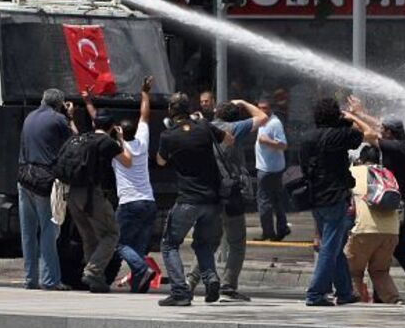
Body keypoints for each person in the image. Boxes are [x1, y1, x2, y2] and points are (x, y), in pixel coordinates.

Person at [348, 96, 405, 306]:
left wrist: (352, 116)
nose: (380, 130)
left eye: (384, 130)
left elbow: (369, 134)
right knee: (391, 246)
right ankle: (384, 293)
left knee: (401, 249)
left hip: (401, 203)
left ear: (389, 133)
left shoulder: (396, 148)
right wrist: (360, 113)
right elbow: (378, 127)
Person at [186, 99, 269, 302]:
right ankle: (228, 286)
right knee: (236, 242)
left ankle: (190, 281)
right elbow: (262, 117)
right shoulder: (234, 128)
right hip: (230, 194)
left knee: (209, 242)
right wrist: (243, 102)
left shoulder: (204, 129)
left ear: (216, 113)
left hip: (208, 193)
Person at [156, 92, 234, 306]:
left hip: (188, 199)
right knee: (202, 243)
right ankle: (211, 279)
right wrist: (202, 123)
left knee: (169, 244)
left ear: (171, 111)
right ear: (189, 108)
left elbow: (161, 161)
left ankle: (180, 292)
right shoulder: (204, 127)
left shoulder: (168, 135)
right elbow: (229, 139)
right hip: (212, 199)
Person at [82, 78, 157, 293]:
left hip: (129, 203)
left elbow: (99, 126)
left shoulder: (116, 148)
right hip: (149, 202)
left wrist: (88, 102)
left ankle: (142, 269)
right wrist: (145, 93)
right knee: (138, 246)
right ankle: (139, 283)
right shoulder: (142, 141)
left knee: (118, 242)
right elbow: (144, 115)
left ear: (119, 133)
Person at [301, 97, 377, 306]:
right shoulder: (339, 135)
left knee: (334, 245)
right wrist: (352, 115)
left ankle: (344, 291)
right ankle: (315, 293)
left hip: (315, 197)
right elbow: (369, 133)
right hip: (334, 198)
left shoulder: (307, 138)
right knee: (330, 247)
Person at [67, 109, 133, 293]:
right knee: (111, 234)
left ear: (94, 124)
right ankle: (93, 271)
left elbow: (74, 134)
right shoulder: (107, 142)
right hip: (92, 195)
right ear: (112, 127)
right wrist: (121, 139)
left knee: (89, 236)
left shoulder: (83, 138)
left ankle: (96, 280)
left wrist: (71, 118)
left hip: (73, 194)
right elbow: (127, 162)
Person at [16, 88, 76, 291]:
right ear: (60, 104)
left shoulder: (30, 117)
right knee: (49, 231)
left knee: (28, 232)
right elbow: (74, 141)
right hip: (43, 181)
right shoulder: (58, 119)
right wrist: (69, 117)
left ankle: (30, 279)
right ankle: (50, 280)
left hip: (24, 178)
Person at [345, 145, 402, 304]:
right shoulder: (388, 174)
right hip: (391, 231)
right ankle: (394, 300)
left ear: (361, 159)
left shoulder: (353, 172)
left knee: (353, 271)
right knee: (380, 271)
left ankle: (355, 300)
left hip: (364, 229)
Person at [254, 95, 290, 241]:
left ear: (271, 108)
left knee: (264, 201)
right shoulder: (262, 121)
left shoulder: (274, 123)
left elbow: (283, 145)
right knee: (275, 200)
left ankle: (268, 231)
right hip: (269, 166)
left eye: (265, 108)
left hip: (269, 169)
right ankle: (282, 228)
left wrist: (266, 141)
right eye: (259, 108)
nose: (262, 111)